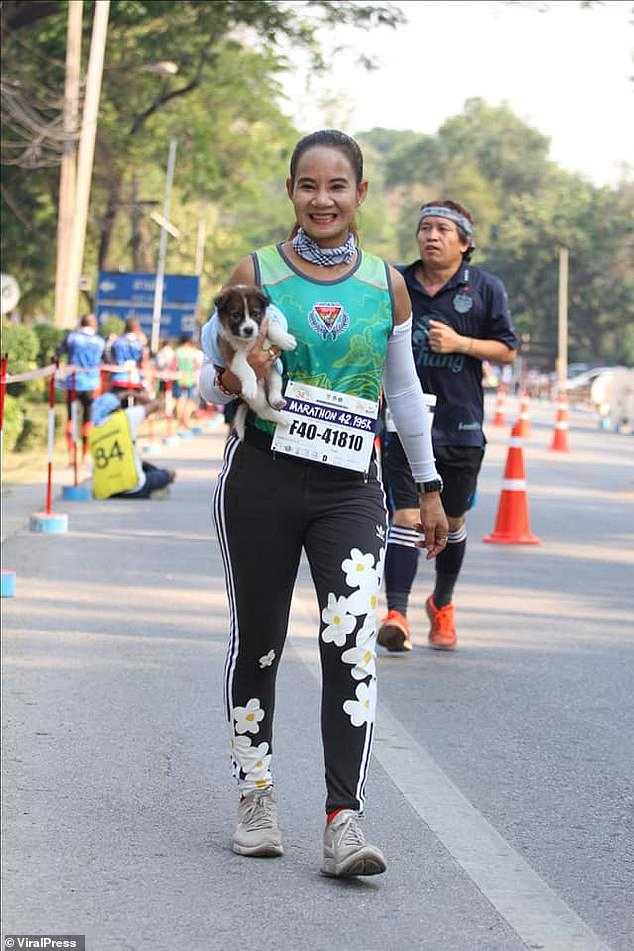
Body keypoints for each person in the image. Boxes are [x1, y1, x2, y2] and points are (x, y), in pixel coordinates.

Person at [199, 130, 448, 877]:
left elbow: (402, 390)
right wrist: (242, 371)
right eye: (308, 185)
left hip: (350, 486)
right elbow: (209, 384)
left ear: (361, 194)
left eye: (337, 185)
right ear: (290, 192)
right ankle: (257, 795)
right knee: (262, 640)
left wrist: (428, 486)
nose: (323, 199)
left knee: (350, 645)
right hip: (263, 480)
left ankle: (344, 819)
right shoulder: (256, 272)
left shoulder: (386, 284)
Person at [378, 200, 519, 654]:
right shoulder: (395, 282)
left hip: (460, 425)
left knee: (451, 523)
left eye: (442, 229)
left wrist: (463, 343)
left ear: (465, 242)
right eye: (424, 228)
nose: (431, 237)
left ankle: (442, 602)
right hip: (404, 420)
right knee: (405, 515)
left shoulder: (485, 288)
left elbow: (508, 349)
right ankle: (395, 613)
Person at [89, 391, 175, 499]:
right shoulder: (126, 416)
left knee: (142, 463)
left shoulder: (93, 431)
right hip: (133, 488)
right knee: (169, 474)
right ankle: (155, 490)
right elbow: (156, 404)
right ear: (117, 406)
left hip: (105, 492)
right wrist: (134, 395)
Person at [57, 313, 105, 463]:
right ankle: (85, 456)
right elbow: (106, 360)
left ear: (81, 324)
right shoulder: (100, 341)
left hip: (73, 382)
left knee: (70, 418)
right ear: (94, 325)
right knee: (88, 420)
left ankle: (71, 457)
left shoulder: (72, 338)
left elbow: (58, 353)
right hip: (91, 385)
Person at [109, 318, 146, 396]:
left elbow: (111, 359)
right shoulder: (140, 344)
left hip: (118, 379)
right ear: (137, 328)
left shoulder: (117, 342)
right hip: (135, 379)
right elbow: (142, 362)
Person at [173, 333, 203, 428]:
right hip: (190, 378)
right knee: (190, 400)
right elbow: (197, 365)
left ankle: (180, 421)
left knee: (180, 400)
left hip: (179, 377)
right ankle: (186, 419)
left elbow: (174, 365)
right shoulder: (193, 351)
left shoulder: (177, 351)